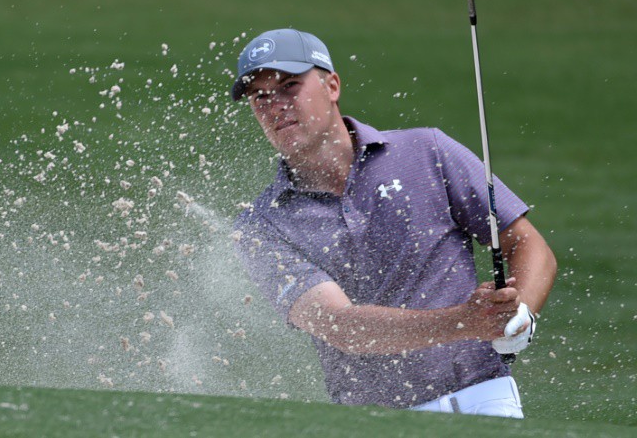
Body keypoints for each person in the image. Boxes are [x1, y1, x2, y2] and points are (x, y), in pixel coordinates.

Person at [231, 28, 557, 417]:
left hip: (485, 399)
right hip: (373, 421)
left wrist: (520, 317)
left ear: (332, 86)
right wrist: (466, 323)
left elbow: (525, 242)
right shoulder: (261, 225)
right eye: (259, 96)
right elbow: (341, 326)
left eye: (289, 86)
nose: (275, 105)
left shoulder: (427, 151)